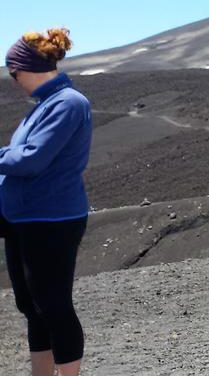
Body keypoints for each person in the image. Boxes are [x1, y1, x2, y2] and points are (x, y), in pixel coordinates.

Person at [1, 28, 91, 376]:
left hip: (51, 219)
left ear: (26, 68)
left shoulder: (68, 103)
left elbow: (31, 159)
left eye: (13, 73)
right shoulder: (43, 107)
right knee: (32, 305)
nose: (14, 81)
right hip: (25, 217)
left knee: (53, 305)